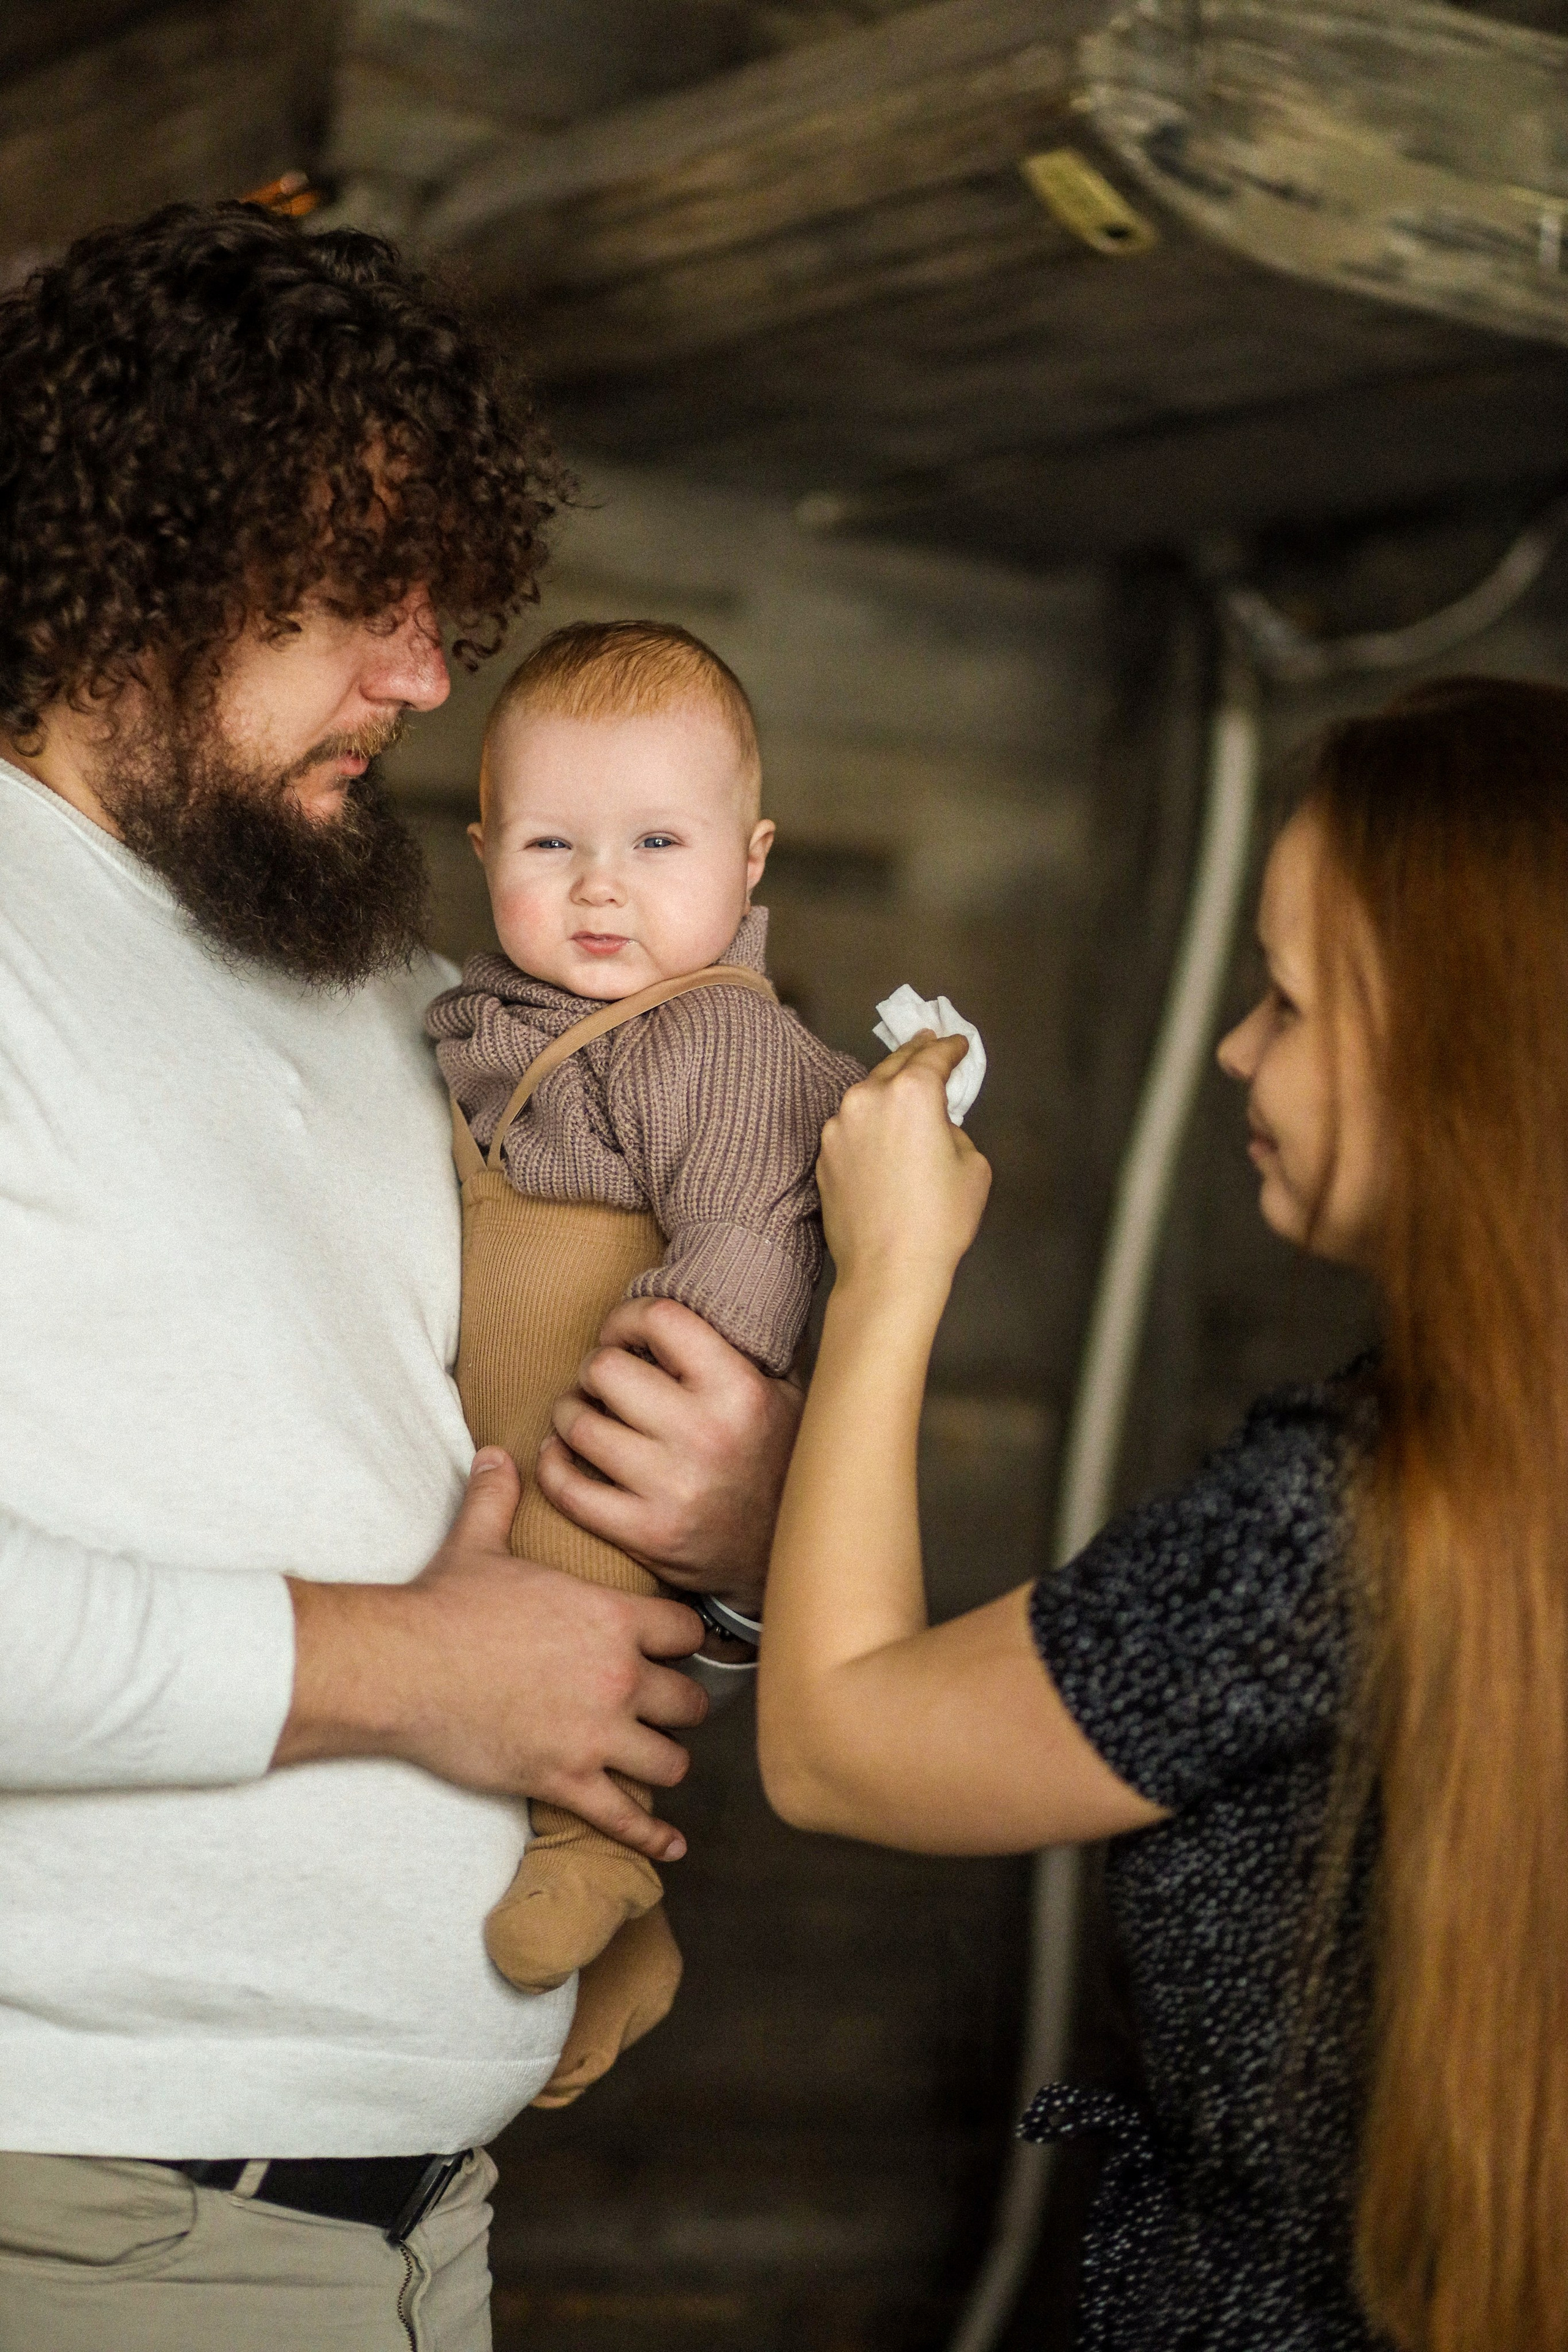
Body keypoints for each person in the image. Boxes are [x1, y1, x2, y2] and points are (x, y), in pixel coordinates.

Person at [0, 202, 800, 2352]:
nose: (432, 677)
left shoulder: (388, 993)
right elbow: (456, 1650)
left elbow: (549, 1578)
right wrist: (415, 1674)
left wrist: (714, 1557)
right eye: (364, 599)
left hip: (417, 2220)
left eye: (445, 603)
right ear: (139, 557)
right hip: (94, 2218)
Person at [758, 674, 1568, 2352]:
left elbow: (834, 1745)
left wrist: (892, 1280)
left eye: (1283, 999)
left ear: (1455, 1049)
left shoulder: (1340, 1526)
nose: (1232, 1049)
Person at [428, 619, 861, 2099]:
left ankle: (596, 1846)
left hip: (617, 1420)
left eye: (656, 841)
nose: (598, 884)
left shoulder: (716, 1046)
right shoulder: (498, 1013)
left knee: (573, 1605)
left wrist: (670, 1387)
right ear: (483, 848)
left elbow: (746, 1230)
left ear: (750, 861)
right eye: (550, 842)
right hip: (499, 1401)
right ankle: (628, 1938)